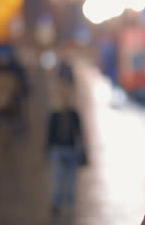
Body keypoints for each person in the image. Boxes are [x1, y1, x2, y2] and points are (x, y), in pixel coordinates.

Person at [46, 63, 86, 215]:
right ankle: (57, 202)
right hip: (58, 149)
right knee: (58, 178)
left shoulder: (74, 113)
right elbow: (49, 133)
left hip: (71, 150)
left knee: (70, 179)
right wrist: (48, 148)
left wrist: (82, 150)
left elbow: (79, 134)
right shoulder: (54, 114)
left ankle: (69, 204)